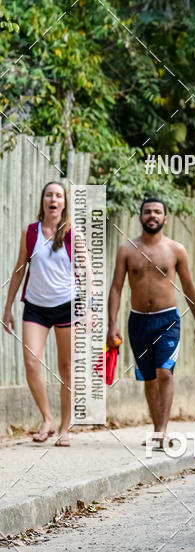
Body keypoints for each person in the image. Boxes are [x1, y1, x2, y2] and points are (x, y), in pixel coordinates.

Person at [107, 197, 195, 448]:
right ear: (140, 217)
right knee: (149, 377)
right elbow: (116, 288)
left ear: (165, 218)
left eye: (157, 212)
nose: (153, 215)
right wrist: (112, 325)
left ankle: (163, 430)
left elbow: (189, 288)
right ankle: (155, 429)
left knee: (165, 373)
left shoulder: (176, 250)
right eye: (148, 212)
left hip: (167, 321)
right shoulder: (127, 250)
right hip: (138, 321)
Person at [2, 181, 86, 446]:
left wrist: (89, 308)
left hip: (66, 306)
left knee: (67, 369)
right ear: (43, 201)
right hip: (35, 307)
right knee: (31, 363)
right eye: (49, 194)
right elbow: (19, 271)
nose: (53, 199)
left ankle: (65, 427)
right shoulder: (30, 232)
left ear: (64, 203)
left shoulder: (73, 233)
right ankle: (47, 418)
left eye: (59, 195)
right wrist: (7, 308)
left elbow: (88, 274)